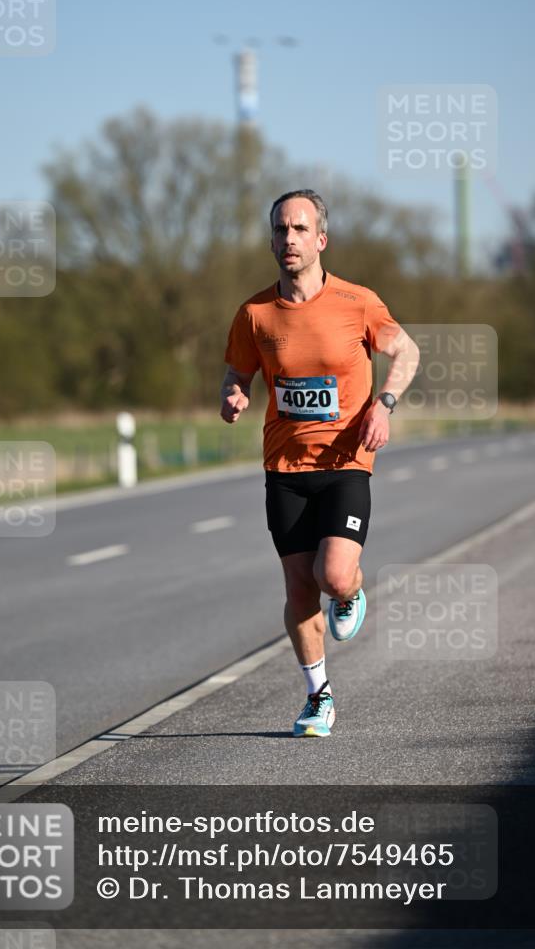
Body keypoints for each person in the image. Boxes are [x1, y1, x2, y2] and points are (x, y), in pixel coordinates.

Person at [220, 189, 420, 737]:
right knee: (298, 588)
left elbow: (407, 352)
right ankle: (318, 696)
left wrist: (385, 403)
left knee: (331, 575)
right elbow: (238, 372)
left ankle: (351, 591)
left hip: (346, 460)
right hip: (284, 468)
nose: (290, 239)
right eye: (281, 230)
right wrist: (233, 394)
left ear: (321, 239)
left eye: (300, 229)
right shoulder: (255, 312)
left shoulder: (358, 303)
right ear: (271, 241)